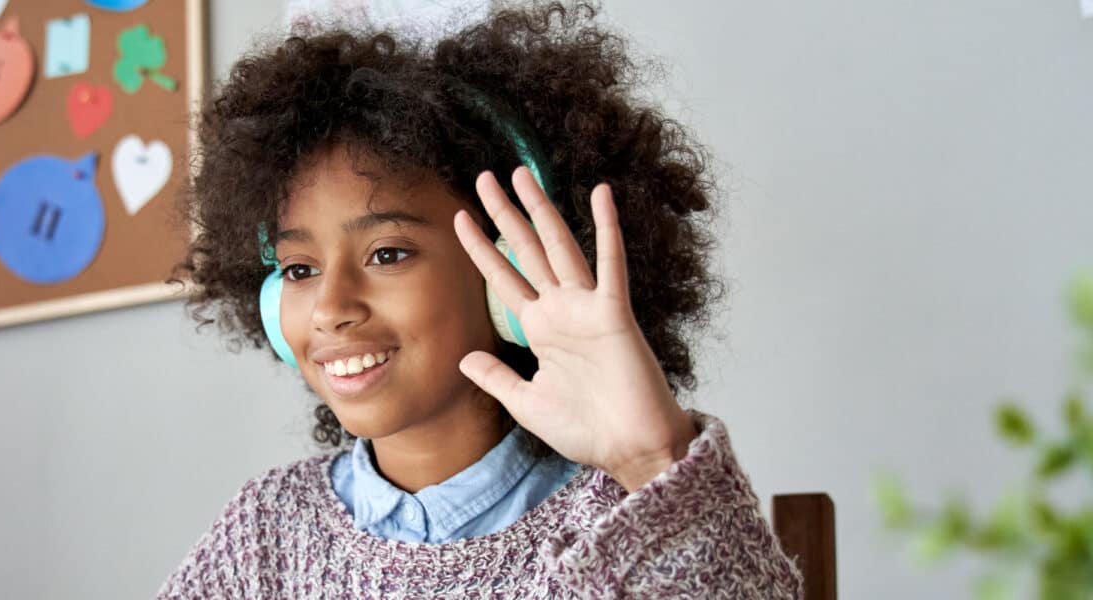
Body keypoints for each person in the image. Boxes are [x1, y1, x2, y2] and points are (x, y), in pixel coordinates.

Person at [162, 2, 804, 597]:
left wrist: (654, 460)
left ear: (510, 276)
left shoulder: (626, 519)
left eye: (387, 254)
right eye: (299, 268)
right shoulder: (264, 535)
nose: (331, 306)